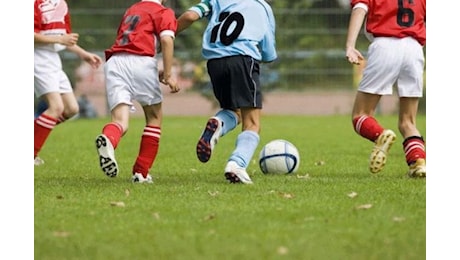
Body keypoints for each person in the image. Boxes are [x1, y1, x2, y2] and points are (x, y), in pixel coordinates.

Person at [177, 0, 277, 184]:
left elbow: (190, 16)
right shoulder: (262, 6)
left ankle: (218, 122)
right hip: (243, 58)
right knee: (253, 123)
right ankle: (236, 165)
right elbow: (269, 53)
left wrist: (167, 36)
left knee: (233, 111)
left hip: (215, 62)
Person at [95, 0, 180, 183]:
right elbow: (166, 40)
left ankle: (109, 139)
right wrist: (168, 73)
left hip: (115, 62)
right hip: (141, 61)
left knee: (119, 121)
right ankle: (140, 173)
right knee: (154, 117)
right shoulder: (163, 12)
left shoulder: (132, 9)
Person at [345, 0, 426, 177]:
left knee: (360, 114)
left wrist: (350, 45)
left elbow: (360, 9)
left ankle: (380, 135)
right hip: (414, 49)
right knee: (408, 121)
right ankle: (418, 163)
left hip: (385, 45)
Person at [34, 0, 103, 166]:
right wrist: (60, 39)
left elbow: (65, 39)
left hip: (53, 60)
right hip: (37, 58)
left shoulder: (62, 4)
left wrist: (83, 54)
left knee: (71, 109)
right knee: (56, 107)